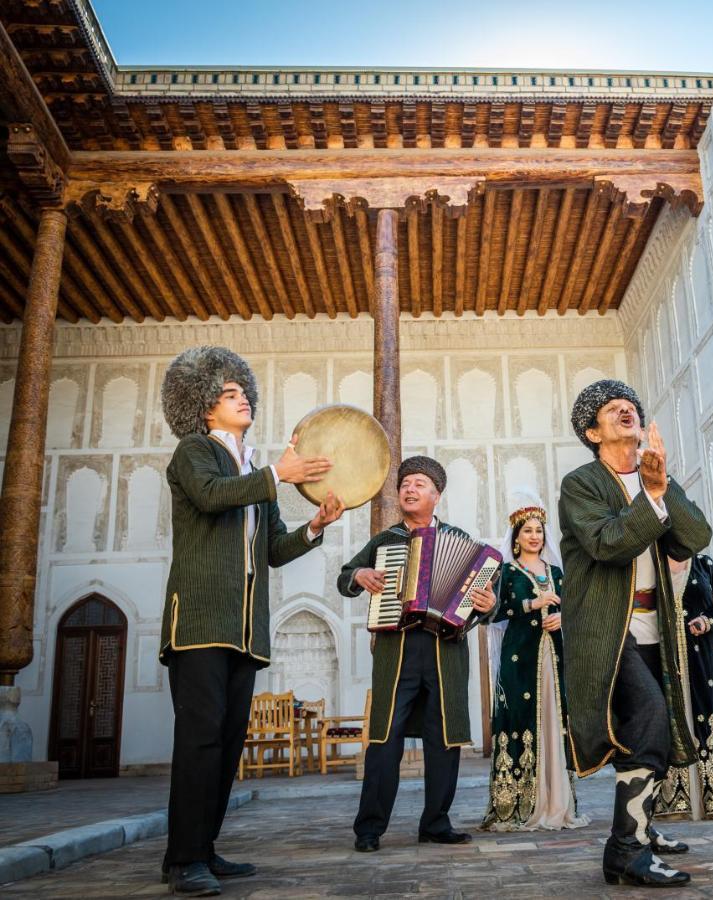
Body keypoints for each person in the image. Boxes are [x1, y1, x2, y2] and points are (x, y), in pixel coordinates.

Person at [159, 345, 344, 896]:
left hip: (244, 630)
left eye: (244, 394)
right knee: (199, 742)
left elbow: (273, 550)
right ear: (204, 407)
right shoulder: (193, 452)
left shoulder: (253, 471)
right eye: (230, 394)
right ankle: (181, 860)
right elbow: (212, 497)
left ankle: (204, 851)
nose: (242, 400)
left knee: (227, 743)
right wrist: (275, 474)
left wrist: (314, 525)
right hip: (198, 623)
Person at [558, 379, 712, 887]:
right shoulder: (581, 484)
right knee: (646, 714)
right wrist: (649, 498)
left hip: (655, 626)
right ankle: (626, 849)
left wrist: (662, 489)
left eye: (632, 407)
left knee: (655, 726)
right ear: (592, 431)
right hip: (607, 628)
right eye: (613, 409)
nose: (627, 411)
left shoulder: (656, 477)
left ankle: (638, 836)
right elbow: (607, 544)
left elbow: (697, 538)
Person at [337, 455, 496, 851]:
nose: (409, 488)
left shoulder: (461, 542)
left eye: (419, 483)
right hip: (397, 649)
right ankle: (369, 829)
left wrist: (487, 601)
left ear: (436, 495)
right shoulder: (385, 541)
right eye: (405, 483)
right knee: (384, 738)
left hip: (445, 652)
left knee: (443, 738)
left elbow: (485, 603)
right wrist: (359, 575)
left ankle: (436, 823)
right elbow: (345, 577)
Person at [482, 489, 589, 831]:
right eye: (527, 530)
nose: (534, 536)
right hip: (521, 659)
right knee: (521, 721)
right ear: (516, 537)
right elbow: (495, 612)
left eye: (539, 530)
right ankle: (520, 803)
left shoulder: (557, 572)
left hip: (554, 660)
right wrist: (531, 604)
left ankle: (558, 801)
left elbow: (574, 608)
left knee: (555, 721)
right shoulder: (507, 573)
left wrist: (563, 618)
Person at [656, 554, 713, 820]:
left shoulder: (703, 564)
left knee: (711, 715)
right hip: (668, 658)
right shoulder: (653, 566)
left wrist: (708, 620)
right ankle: (676, 799)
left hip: (707, 655)